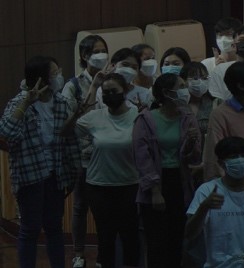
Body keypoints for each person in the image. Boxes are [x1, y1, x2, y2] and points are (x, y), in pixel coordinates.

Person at [3, 56, 80, 268]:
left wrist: (74, 172)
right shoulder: (19, 102)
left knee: (54, 228)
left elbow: (70, 141)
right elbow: (6, 133)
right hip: (30, 176)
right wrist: (26, 102)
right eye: (54, 73)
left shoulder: (61, 102)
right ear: (40, 79)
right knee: (30, 229)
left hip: (56, 175)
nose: (59, 76)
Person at [68, 73, 142, 268]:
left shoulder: (138, 115)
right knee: (105, 236)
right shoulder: (95, 117)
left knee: (130, 236)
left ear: (124, 91)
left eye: (114, 91)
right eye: (106, 92)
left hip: (130, 184)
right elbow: (66, 132)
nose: (110, 95)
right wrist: (77, 113)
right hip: (99, 185)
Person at [134, 72, 204, 268]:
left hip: (180, 182)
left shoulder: (188, 118)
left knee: (177, 239)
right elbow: (142, 157)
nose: (185, 90)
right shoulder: (146, 119)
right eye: (181, 86)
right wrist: (155, 191)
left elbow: (194, 157)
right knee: (156, 242)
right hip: (155, 182)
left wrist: (191, 144)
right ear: (166, 92)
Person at [186, 136, 244, 267]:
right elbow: (190, 234)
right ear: (221, 163)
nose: (240, 160)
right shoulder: (206, 190)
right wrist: (204, 208)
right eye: (234, 157)